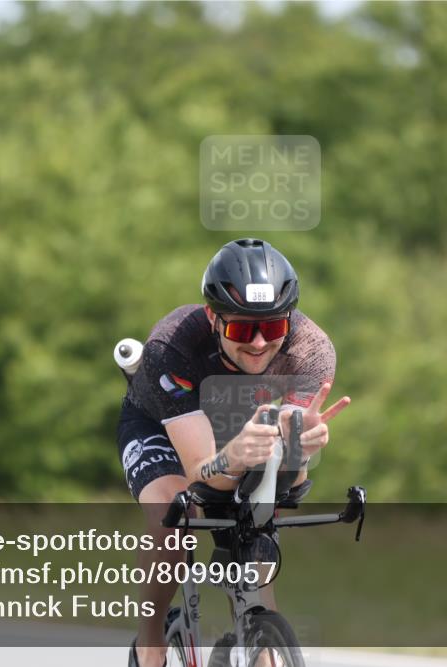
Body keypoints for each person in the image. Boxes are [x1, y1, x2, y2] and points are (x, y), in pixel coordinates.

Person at [117, 238, 351, 667]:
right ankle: (150, 643)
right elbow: (201, 473)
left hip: (243, 427)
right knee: (174, 513)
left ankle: (259, 647)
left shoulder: (312, 353)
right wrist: (237, 456)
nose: (260, 343)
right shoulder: (172, 346)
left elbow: (288, 487)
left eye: (274, 328)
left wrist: (296, 451)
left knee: (255, 537)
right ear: (212, 316)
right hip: (165, 427)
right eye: (243, 330)